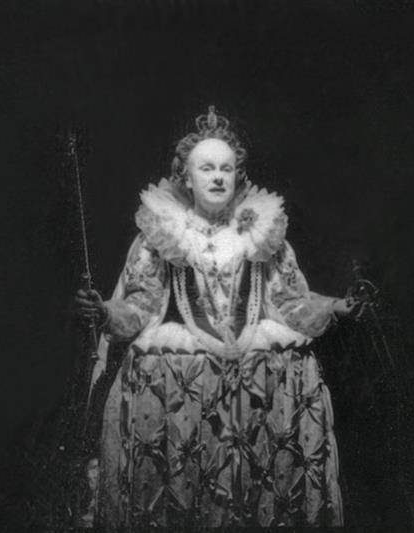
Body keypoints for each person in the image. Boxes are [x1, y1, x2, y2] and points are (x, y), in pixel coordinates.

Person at [75, 107, 359, 529]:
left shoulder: (261, 229)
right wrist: (104, 311)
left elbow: (290, 299)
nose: (218, 177)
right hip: (188, 385)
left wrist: (335, 306)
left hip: (254, 381)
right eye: (206, 168)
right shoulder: (164, 230)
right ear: (186, 177)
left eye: (226, 168)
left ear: (237, 175)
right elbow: (140, 303)